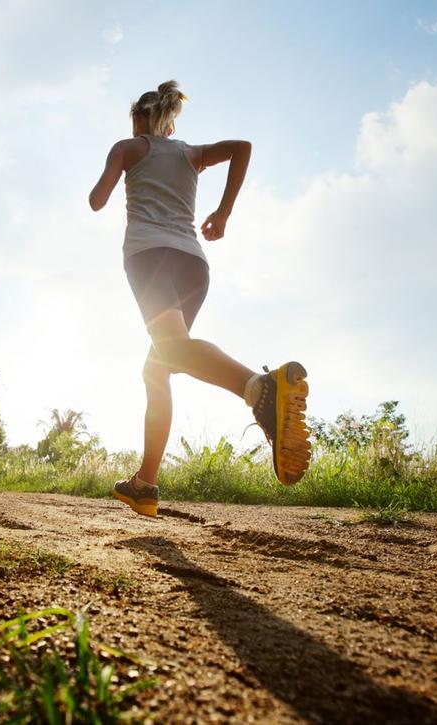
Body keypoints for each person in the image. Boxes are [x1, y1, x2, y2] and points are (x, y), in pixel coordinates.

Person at [89, 80, 311, 517]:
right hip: (193, 264)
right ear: (169, 125)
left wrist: (117, 166)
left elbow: (97, 201)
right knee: (159, 367)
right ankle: (145, 483)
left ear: (139, 121)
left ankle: (260, 388)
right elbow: (242, 147)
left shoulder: (128, 147)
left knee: (171, 352)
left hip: (149, 257)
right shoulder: (190, 154)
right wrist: (223, 212)